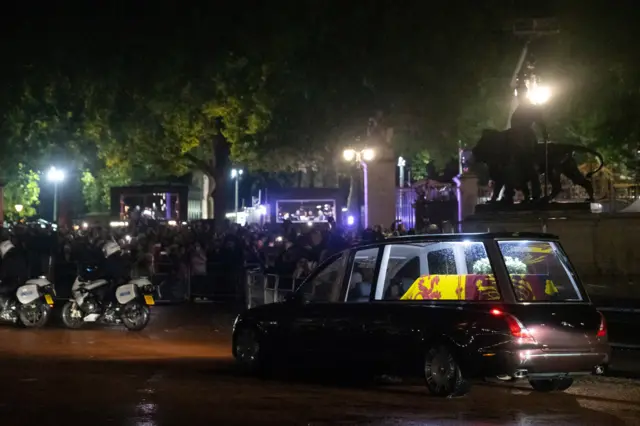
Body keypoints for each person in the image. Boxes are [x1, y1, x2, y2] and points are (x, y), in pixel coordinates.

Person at [507, 82, 548, 200]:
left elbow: (540, 122)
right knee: (512, 165)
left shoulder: (531, 107)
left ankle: (536, 192)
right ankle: (519, 193)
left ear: (524, 94)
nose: (518, 96)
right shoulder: (518, 108)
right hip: (515, 139)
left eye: (520, 93)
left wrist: (545, 134)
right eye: (517, 94)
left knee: (528, 164)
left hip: (526, 138)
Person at [0, 239, 27, 310]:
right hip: (21, 280)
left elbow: (3, 273)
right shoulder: (20, 254)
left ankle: (4, 307)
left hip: (13, 283)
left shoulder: (8, 258)